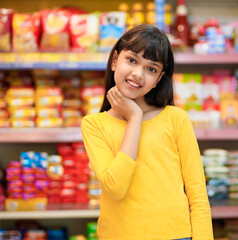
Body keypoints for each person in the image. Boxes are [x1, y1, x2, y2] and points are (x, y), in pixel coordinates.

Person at [81, 24, 213, 240]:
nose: (137, 74)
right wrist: (134, 118)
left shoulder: (175, 119)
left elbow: (197, 195)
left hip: (176, 235)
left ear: (159, 79)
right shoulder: (94, 125)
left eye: (151, 69)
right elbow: (115, 187)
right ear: (115, 60)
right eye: (132, 60)